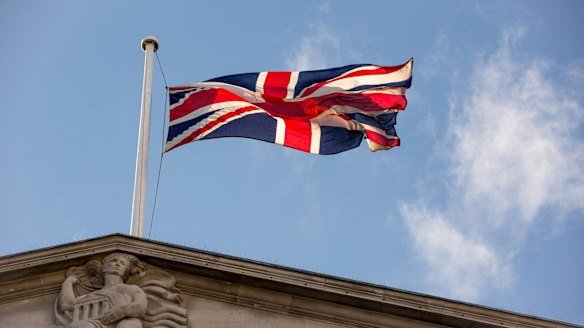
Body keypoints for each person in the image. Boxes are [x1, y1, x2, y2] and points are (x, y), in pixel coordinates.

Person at [58, 253, 148, 328]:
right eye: (114, 261)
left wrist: (121, 311)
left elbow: (141, 307)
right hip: (98, 323)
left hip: (125, 321)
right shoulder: (92, 296)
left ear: (126, 271)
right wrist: (68, 283)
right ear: (104, 267)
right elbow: (68, 307)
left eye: (122, 263)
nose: (117, 264)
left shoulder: (132, 289)